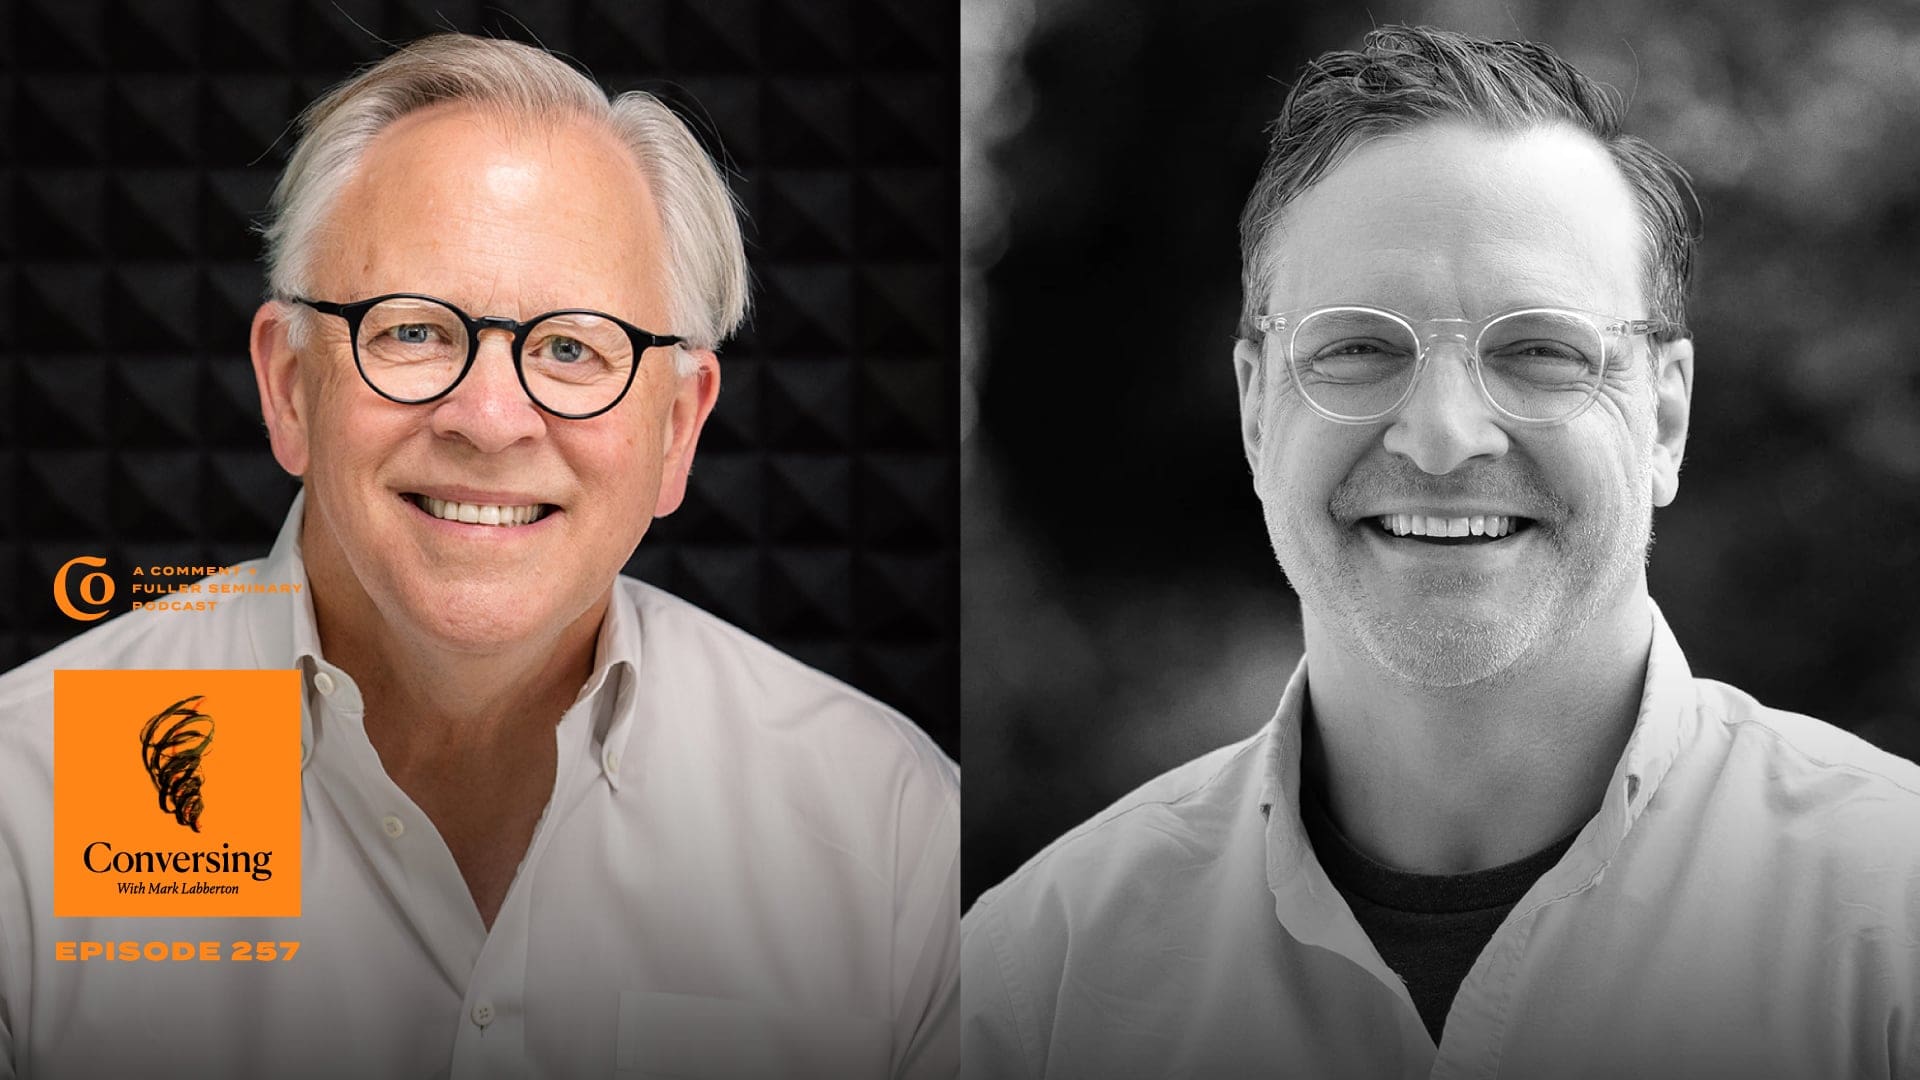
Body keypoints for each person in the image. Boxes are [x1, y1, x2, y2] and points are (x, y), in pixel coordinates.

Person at [961, 25, 1920, 1079]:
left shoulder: (1895, 920)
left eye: (1542, 351)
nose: (1445, 434)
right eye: (1359, 349)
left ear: (1664, 421)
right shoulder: (1034, 986)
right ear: (1254, 410)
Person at [0, 34, 958, 1079]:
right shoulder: (26, 801)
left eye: (571, 347)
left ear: (679, 428)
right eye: (411, 332)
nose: (492, 419)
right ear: (287, 389)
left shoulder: (892, 833)